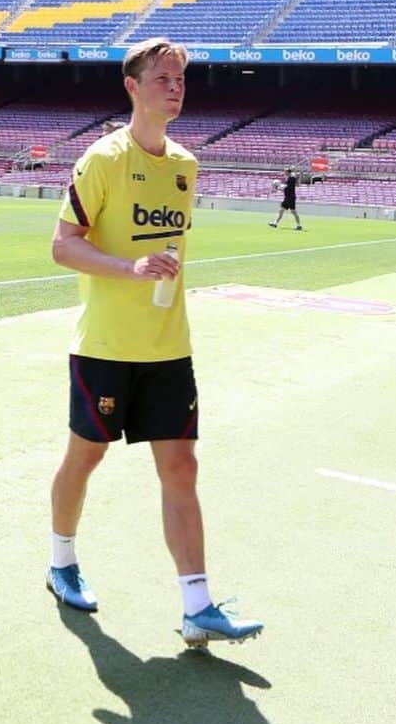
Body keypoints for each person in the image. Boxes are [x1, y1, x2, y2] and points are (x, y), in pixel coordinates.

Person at [48, 37, 263, 648]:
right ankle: (61, 561)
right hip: (107, 348)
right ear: (132, 87)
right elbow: (63, 245)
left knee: (181, 465)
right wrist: (129, 268)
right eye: (163, 77)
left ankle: (198, 605)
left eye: (181, 79)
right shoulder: (102, 159)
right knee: (85, 458)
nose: (175, 87)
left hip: (169, 348)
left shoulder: (186, 166)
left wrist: (155, 270)